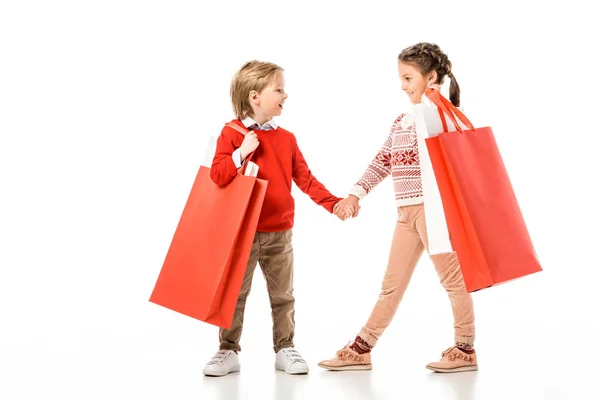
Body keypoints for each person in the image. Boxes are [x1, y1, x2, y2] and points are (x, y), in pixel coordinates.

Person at [321, 43, 477, 373]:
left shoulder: (441, 117)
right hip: (407, 213)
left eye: (408, 78)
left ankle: (465, 348)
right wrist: (355, 194)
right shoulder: (403, 121)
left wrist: (436, 101)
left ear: (431, 77)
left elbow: (460, 161)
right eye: (401, 79)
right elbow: (383, 160)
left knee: (453, 281)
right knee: (391, 284)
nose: (403, 86)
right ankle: (361, 349)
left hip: (434, 212)